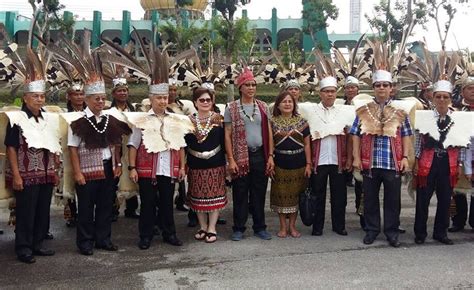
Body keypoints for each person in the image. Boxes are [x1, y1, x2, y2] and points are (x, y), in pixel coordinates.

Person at [67, 65, 131, 255]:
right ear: (87, 100)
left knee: (105, 207)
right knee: (86, 209)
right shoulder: (78, 122)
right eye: (97, 99)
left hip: (108, 168)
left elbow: (117, 143)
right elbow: (72, 148)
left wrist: (118, 163)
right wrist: (77, 172)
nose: (101, 102)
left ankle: (103, 239)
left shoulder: (109, 119)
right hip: (87, 171)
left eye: (103, 98)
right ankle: (85, 242)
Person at [4, 57, 61, 263]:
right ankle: (24, 247)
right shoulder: (16, 119)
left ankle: (37, 244)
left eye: (42, 96)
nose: (39, 100)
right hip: (26, 174)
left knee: (42, 211)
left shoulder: (48, 117)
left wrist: (54, 170)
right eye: (35, 96)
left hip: (45, 173)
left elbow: (54, 143)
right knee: (26, 212)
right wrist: (16, 175)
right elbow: (11, 147)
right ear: (26, 98)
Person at [351, 69, 413, 248]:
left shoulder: (400, 110)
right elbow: (355, 134)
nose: (382, 88)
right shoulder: (363, 110)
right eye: (378, 85)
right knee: (370, 199)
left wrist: (405, 157)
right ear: (373, 88)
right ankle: (372, 230)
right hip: (370, 162)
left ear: (391, 88)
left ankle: (392, 232)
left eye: (385, 85)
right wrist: (356, 157)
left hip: (392, 162)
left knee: (393, 200)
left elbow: (406, 135)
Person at [127, 75, 190, 249]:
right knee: (147, 203)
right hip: (147, 169)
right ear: (151, 99)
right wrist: (132, 168)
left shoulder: (174, 119)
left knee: (167, 203)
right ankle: (145, 236)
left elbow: (181, 145)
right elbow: (133, 144)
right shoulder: (142, 120)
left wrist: (182, 167)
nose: (162, 101)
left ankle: (169, 233)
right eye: (159, 98)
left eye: (165, 98)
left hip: (168, 167)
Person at [413, 79, 470, 245]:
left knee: (445, 199)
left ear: (450, 98)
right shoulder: (425, 117)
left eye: (445, 97)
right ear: (433, 98)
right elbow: (418, 140)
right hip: (427, 162)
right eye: (438, 96)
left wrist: (459, 164)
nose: (442, 100)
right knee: (423, 199)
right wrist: (415, 160)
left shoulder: (457, 118)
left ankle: (441, 232)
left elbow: (462, 143)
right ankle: (420, 232)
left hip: (447, 162)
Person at [224, 68, 274, 241]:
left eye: (253, 85)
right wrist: (230, 159)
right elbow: (227, 134)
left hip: (260, 154)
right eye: (247, 85)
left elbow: (268, 132)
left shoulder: (263, 106)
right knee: (240, 193)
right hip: (240, 156)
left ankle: (260, 227)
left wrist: (270, 156)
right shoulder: (231, 108)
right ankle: (239, 228)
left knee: (259, 193)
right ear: (240, 88)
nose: (251, 88)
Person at [308, 75, 354, 236]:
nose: (330, 94)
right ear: (320, 93)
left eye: (333, 91)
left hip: (338, 160)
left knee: (339, 195)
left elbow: (349, 136)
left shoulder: (343, 112)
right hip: (318, 160)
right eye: (326, 91)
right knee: (317, 194)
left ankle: (339, 225)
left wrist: (349, 158)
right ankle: (317, 226)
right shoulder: (312, 111)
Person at [185, 87, 228, 243]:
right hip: (195, 164)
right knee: (198, 196)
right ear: (195, 102)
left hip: (216, 163)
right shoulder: (188, 121)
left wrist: (229, 161)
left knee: (214, 196)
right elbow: (183, 145)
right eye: (201, 100)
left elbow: (225, 142)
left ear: (212, 101)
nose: (205, 102)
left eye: (208, 100)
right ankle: (203, 226)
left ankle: (212, 228)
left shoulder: (219, 119)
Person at [269, 91, 311, 238]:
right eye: (284, 102)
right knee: (281, 196)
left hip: (299, 164)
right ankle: (282, 227)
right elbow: (270, 144)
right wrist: (270, 159)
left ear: (294, 105)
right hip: (280, 164)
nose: (287, 104)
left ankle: (292, 226)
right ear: (278, 105)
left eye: (290, 102)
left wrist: (308, 164)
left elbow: (307, 145)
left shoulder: (302, 122)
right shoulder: (272, 122)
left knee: (295, 197)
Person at [110, 77, 140, 220]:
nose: (123, 93)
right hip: (115, 148)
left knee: (131, 177)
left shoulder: (134, 110)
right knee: (114, 180)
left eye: (125, 90)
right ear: (114, 94)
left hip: (130, 147)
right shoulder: (109, 112)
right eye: (119, 91)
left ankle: (131, 208)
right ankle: (113, 209)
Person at [450, 75, 474, 232]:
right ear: (463, 91)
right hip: (459, 154)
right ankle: (458, 221)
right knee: (458, 190)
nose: (473, 91)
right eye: (470, 88)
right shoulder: (454, 109)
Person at [63, 82, 86, 228]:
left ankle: (85, 213)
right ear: (69, 97)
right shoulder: (63, 114)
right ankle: (72, 213)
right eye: (75, 94)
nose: (78, 97)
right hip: (67, 152)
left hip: (86, 152)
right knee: (69, 181)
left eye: (81, 94)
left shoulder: (89, 112)